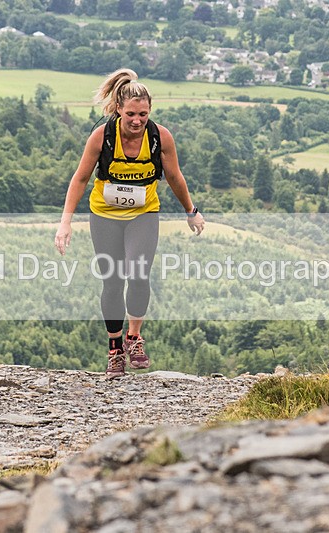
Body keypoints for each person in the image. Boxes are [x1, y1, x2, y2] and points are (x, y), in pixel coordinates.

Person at [54, 68, 205, 379]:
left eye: (144, 114)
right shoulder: (102, 137)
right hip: (104, 215)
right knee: (112, 280)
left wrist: (191, 210)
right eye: (132, 114)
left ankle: (134, 338)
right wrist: (65, 223)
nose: (137, 121)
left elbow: (174, 176)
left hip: (143, 213)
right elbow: (80, 178)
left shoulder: (160, 136)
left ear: (150, 111)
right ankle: (114, 348)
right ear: (119, 110)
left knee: (138, 272)